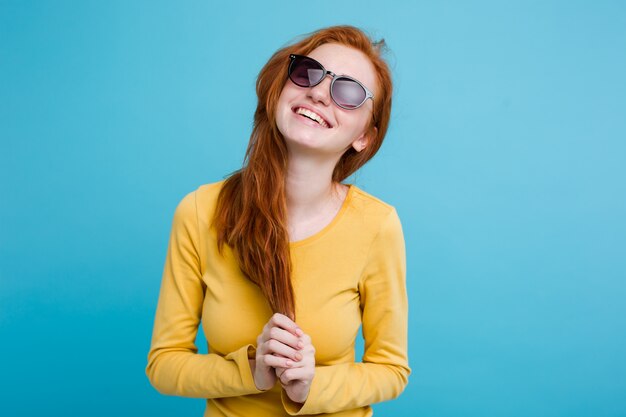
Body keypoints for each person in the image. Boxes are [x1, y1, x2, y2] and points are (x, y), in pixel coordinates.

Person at [146, 25, 410, 416]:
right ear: (279, 90)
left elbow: (391, 370)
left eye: (349, 91)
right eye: (308, 72)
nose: (319, 93)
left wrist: (310, 386)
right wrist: (251, 371)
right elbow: (163, 364)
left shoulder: (377, 225)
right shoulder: (200, 211)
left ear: (364, 138)